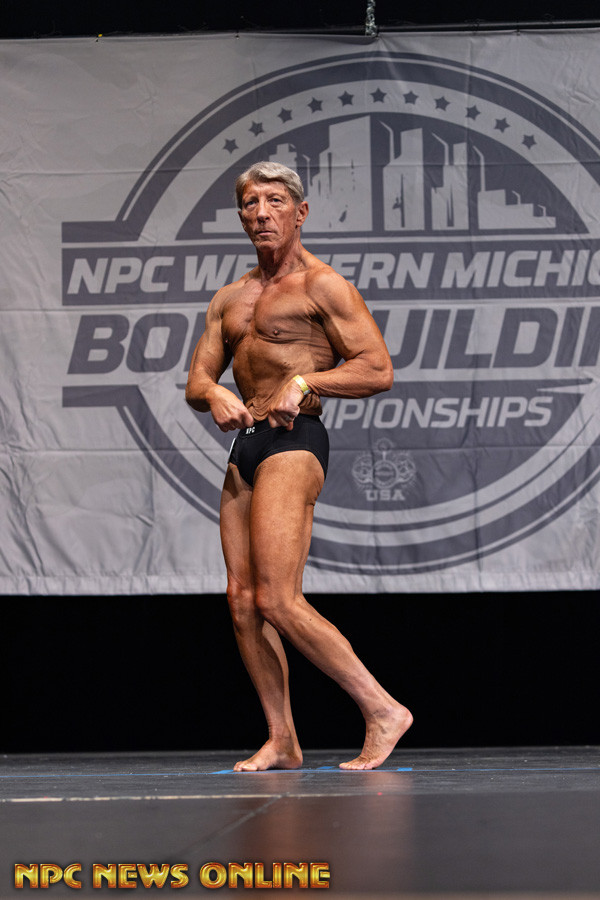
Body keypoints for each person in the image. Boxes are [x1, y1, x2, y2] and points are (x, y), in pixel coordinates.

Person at [185, 161, 412, 771]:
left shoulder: (323, 286)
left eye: (275, 201)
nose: (261, 213)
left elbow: (377, 369)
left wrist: (307, 380)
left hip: (294, 441)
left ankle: (382, 709)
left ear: (300, 212)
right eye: (250, 203)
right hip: (245, 448)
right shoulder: (230, 297)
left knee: (279, 598)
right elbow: (197, 380)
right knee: (242, 600)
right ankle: (282, 739)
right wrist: (214, 393)